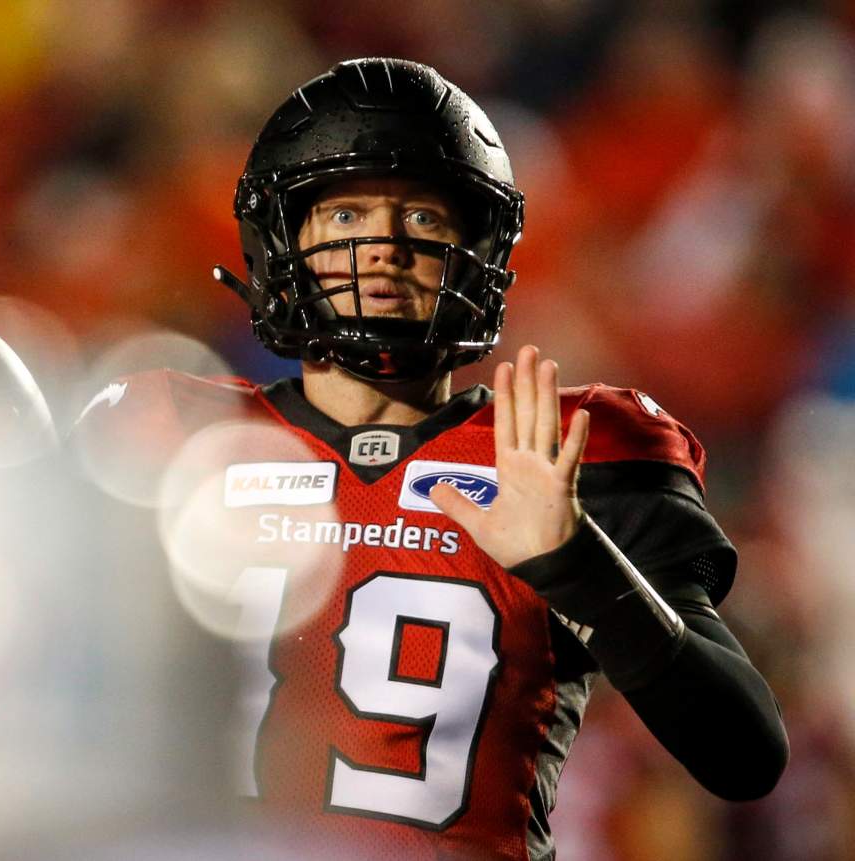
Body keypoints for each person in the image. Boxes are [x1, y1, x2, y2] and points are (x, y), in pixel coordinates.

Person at [75, 57, 788, 860]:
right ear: (280, 241)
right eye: (345, 216)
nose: (383, 248)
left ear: (478, 249)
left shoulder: (557, 455)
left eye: (421, 217)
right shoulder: (172, 435)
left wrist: (578, 563)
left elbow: (747, 754)